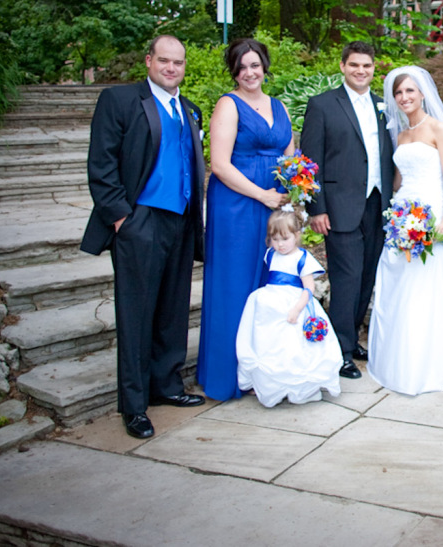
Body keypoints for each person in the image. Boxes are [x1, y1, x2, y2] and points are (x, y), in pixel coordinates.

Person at [81, 35, 207, 439]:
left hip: (181, 220)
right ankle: (134, 405)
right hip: (140, 220)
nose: (171, 68)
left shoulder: (189, 110)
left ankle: (165, 385)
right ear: (149, 61)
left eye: (178, 63)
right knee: (136, 314)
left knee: (172, 309)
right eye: (164, 60)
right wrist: (122, 218)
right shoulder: (119, 100)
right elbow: (101, 163)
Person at [367, 67, 443, 395]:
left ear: (422, 93)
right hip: (402, 213)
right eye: (398, 93)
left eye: (410, 90)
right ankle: (401, 361)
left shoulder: (439, 129)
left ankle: (436, 363)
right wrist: (395, 212)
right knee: (400, 282)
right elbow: (398, 179)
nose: (404, 97)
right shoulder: (400, 135)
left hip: (430, 212)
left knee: (429, 282)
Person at [198, 38, 295, 402]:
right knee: (235, 284)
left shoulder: (279, 106)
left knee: (269, 285)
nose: (250, 73)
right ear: (234, 72)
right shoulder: (228, 104)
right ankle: (226, 374)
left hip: (274, 207)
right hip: (236, 206)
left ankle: (262, 372)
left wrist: (294, 190)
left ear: (265, 66)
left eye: (255, 65)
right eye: (242, 67)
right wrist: (261, 194)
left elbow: (292, 159)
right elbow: (220, 165)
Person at [300, 41, 395, 379]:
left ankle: (352, 339)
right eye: (354, 64)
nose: (360, 71)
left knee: (367, 276)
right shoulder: (323, 105)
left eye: (366, 66)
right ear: (342, 66)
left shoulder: (385, 106)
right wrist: (317, 208)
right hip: (339, 207)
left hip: (378, 204)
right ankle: (339, 351)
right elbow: (310, 161)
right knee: (346, 278)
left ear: (374, 69)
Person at [236, 206, 342, 407]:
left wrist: (297, 309)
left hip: (294, 303)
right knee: (272, 343)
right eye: (275, 239)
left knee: (293, 345)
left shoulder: (302, 258)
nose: (280, 244)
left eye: (285, 239)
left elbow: (309, 287)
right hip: (270, 305)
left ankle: (298, 385)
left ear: (296, 235)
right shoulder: (270, 254)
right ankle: (272, 383)